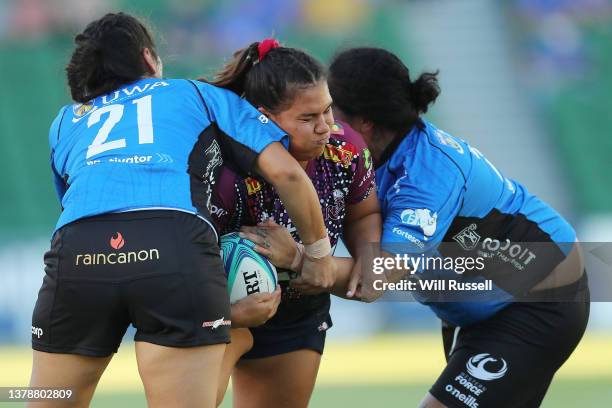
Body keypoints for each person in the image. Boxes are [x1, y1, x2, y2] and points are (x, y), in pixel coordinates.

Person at [29, 14, 336, 408]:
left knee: (44, 398)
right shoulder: (194, 93)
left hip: (78, 249)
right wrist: (318, 255)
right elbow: (289, 176)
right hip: (173, 242)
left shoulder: (66, 120)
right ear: (149, 58)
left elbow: (79, 201)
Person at [324, 47, 590, 408]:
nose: (322, 122)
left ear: (364, 122)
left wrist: (295, 262)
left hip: (538, 298)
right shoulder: (374, 155)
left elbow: (375, 281)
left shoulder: (425, 176)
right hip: (487, 306)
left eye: (329, 110)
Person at [204, 40, 380, 408]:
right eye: (308, 118)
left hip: (298, 314)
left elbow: (363, 212)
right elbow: (187, 258)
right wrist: (229, 314)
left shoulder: (346, 149)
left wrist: (368, 257)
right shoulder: (223, 172)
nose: (325, 127)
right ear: (263, 118)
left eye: (328, 111)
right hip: (223, 311)